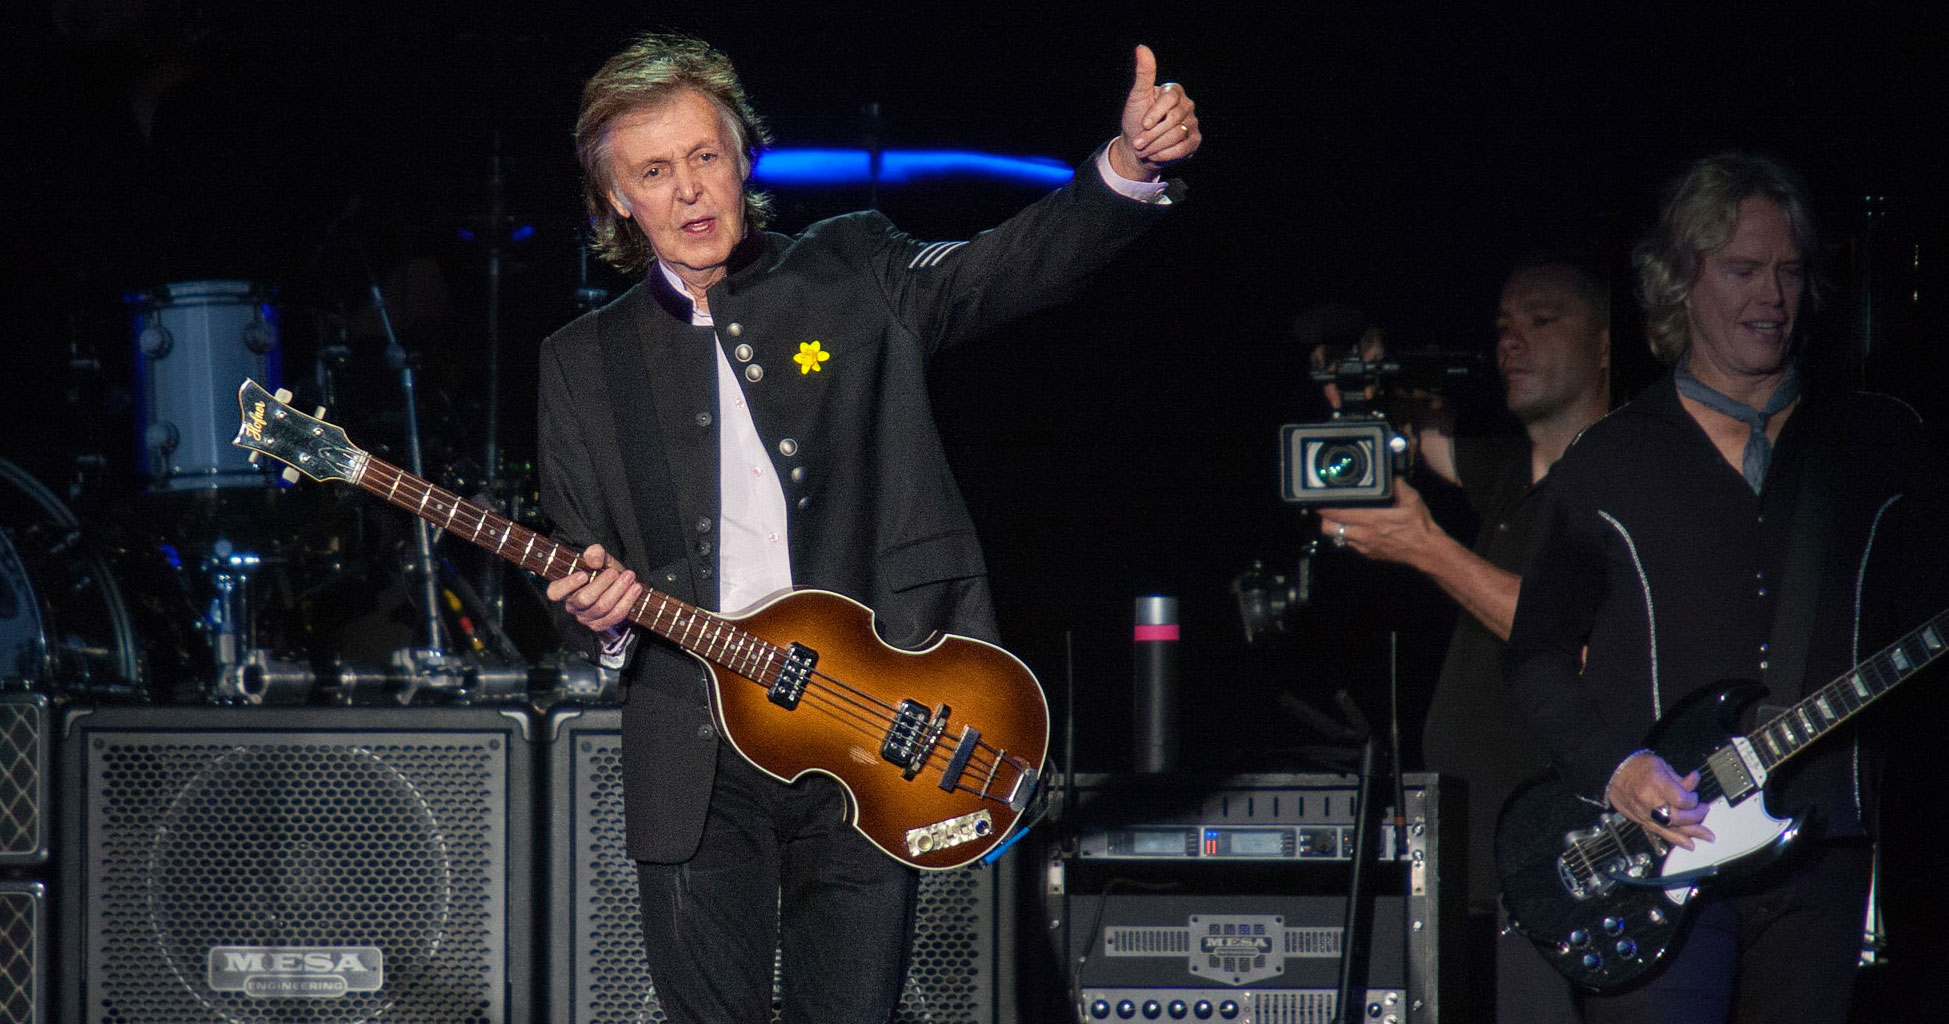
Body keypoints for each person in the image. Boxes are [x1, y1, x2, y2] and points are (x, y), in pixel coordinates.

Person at [535, 32, 1199, 1024]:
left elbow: (997, 271)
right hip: (695, 746)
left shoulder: (850, 269)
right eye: (654, 172)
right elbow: (581, 580)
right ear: (617, 199)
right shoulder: (583, 361)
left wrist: (1125, 168)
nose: (687, 191)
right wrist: (597, 614)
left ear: (742, 155)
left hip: (866, 721)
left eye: (704, 157)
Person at [1502, 152, 1945, 1023]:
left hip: (1824, 855)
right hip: (1656, 854)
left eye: (1787, 273)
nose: (1772, 297)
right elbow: (1535, 657)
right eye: (1743, 271)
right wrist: (1617, 767)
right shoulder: (1610, 460)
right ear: (1680, 283)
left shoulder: (1879, 443)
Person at [1314, 256, 1609, 1023]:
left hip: (1562, 857)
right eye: (1503, 328)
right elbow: (1419, 436)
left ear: (1606, 343)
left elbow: (1576, 642)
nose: (1513, 343)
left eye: (1542, 322)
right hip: (1469, 858)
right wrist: (1357, 380)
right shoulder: (1511, 469)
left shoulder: (1624, 478)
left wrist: (1424, 546)